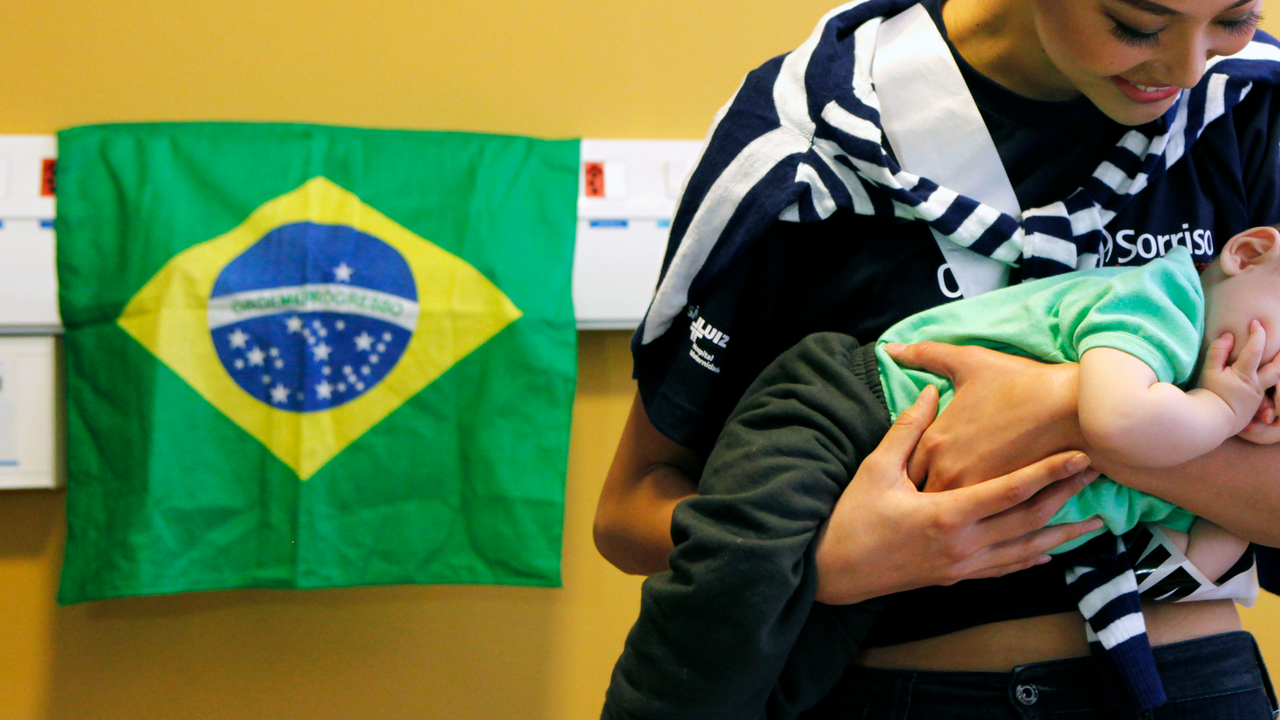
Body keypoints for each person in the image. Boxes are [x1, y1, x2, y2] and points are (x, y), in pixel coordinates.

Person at [595, 0, 1280, 718]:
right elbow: (628, 510)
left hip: (1192, 683)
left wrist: (1068, 412)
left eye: (1235, 18)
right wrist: (821, 560)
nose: (1189, 64)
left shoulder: (1250, 107)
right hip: (901, 694)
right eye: (1136, 25)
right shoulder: (802, 143)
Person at [604, 232, 1280, 717]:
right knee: (743, 574)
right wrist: (1220, 412)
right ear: (1248, 254)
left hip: (1184, 679)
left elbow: (1216, 549)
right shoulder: (1165, 302)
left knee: (786, 668)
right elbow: (1113, 421)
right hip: (859, 406)